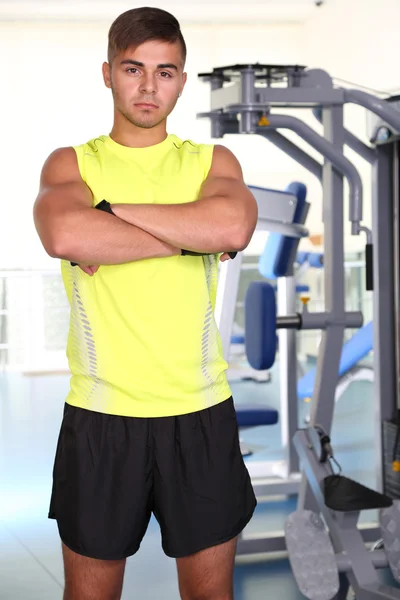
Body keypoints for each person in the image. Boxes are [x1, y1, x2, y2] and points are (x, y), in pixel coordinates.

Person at [33, 6, 258, 600]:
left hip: (201, 410)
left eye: (165, 71)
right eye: (134, 69)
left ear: (182, 79)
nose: (149, 86)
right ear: (108, 73)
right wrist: (189, 238)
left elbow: (232, 226)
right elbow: (64, 235)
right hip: (102, 417)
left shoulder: (213, 162)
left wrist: (107, 216)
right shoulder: (72, 163)